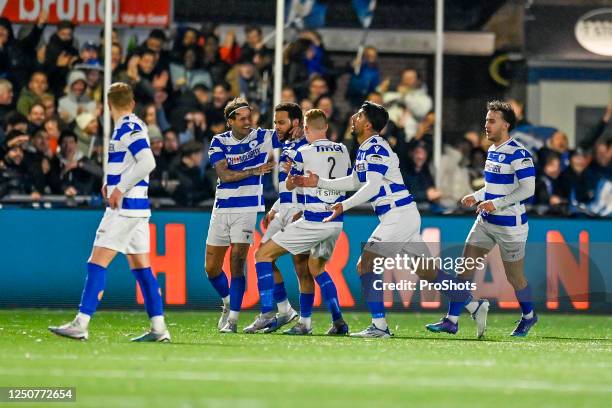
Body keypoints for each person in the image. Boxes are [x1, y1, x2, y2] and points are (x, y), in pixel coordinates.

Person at [293, 102, 487, 338]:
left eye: (359, 114)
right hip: (402, 214)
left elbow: (371, 186)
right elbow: (355, 181)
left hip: (398, 215)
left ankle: (379, 326)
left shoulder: (375, 147)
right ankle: (474, 305)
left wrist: (343, 204)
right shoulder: (366, 147)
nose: (354, 116)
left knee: (365, 264)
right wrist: (320, 182)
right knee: (427, 272)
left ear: (368, 124)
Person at [48, 82, 170, 342]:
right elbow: (129, 163)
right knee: (141, 268)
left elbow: (148, 162)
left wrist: (120, 189)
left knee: (96, 263)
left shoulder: (128, 127)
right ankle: (159, 328)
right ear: (132, 102)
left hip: (125, 208)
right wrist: (110, 183)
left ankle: (81, 323)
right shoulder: (131, 126)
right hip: (136, 209)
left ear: (107, 105)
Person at [427, 100, 537, 337]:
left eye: (491, 121)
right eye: (486, 120)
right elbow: (492, 186)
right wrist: (476, 196)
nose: (486, 125)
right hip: (486, 221)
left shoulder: (518, 153)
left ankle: (529, 316)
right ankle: (452, 320)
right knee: (464, 267)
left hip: (511, 226)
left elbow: (528, 189)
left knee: (514, 278)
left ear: (506, 125)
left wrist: (495, 203)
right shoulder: (493, 150)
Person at [253, 109, 351, 335]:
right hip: (336, 222)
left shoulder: (304, 151)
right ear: (326, 127)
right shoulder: (343, 149)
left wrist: (291, 176)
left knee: (262, 255)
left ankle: (269, 313)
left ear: (306, 129)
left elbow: (289, 186)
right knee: (316, 268)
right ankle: (337, 321)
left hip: (313, 221)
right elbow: (349, 181)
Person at [204, 98, 279, 333]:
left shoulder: (263, 137)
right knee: (212, 269)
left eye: (250, 117)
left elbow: (290, 133)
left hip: (247, 209)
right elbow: (224, 175)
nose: (249, 122)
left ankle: (233, 320)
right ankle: (227, 302)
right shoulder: (219, 142)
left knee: (237, 262)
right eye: (243, 118)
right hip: (222, 208)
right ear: (231, 121)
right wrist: (254, 170)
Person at [242, 103, 307, 334]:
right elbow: (288, 185)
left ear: (296, 123)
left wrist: (305, 209)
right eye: (275, 122)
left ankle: (333, 318)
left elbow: (314, 183)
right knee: (262, 255)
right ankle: (279, 311)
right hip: (284, 209)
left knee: (307, 269)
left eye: (281, 122)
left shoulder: (308, 146)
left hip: (300, 211)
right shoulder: (288, 144)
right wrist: (275, 207)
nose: (277, 127)